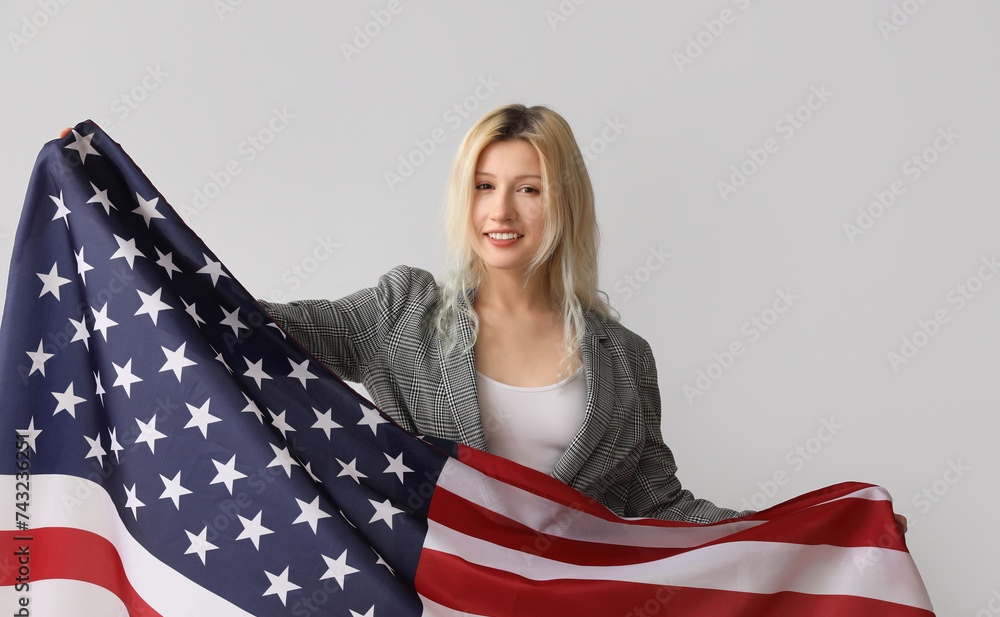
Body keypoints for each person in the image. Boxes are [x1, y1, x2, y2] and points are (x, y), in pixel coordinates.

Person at [57, 111, 906, 531]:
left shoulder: (624, 358)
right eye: (485, 185)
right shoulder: (403, 310)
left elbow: (664, 504)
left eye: (529, 187)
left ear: (562, 203)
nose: (503, 209)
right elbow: (259, 329)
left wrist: (821, 533)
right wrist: (119, 222)